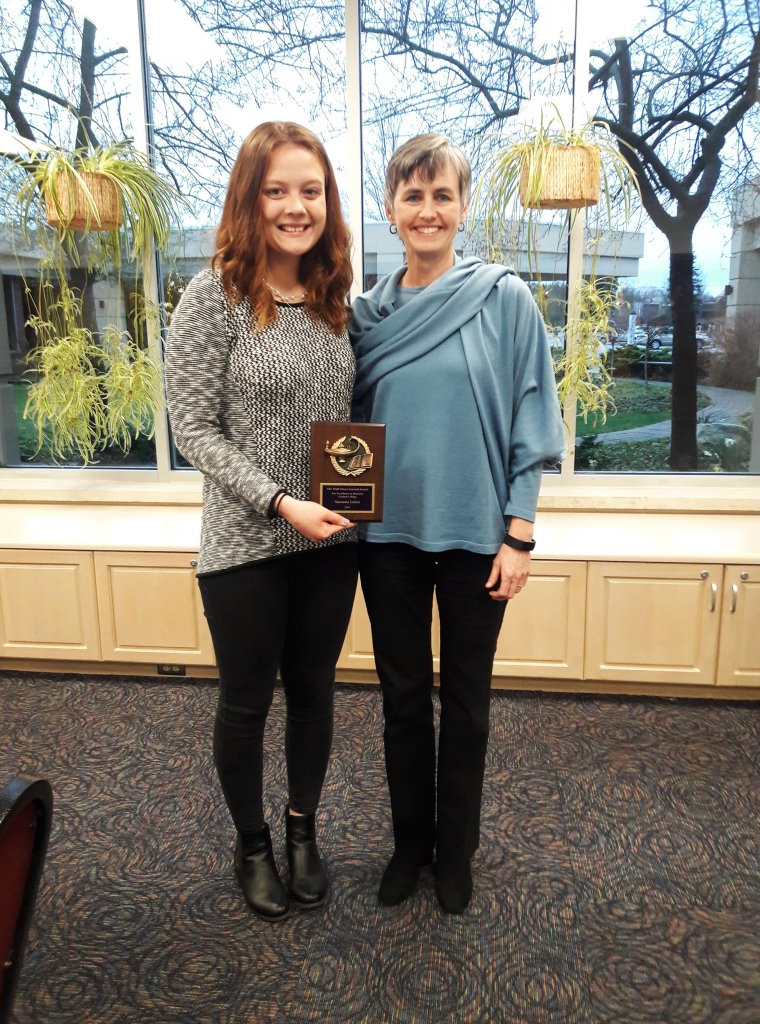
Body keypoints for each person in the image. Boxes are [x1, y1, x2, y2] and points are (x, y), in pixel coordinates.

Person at [350, 134, 564, 914]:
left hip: (479, 539)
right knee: (402, 700)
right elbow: (349, 427)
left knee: (466, 703)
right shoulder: (367, 314)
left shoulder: (504, 298)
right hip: (389, 542)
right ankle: (410, 845)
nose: (428, 209)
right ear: (390, 210)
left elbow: (532, 421)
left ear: (464, 208)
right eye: (413, 196)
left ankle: (456, 851)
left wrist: (522, 533)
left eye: (443, 196)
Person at [165, 122, 358, 921]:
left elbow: (349, 420)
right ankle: (252, 843)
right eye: (276, 189)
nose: (294, 206)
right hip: (247, 544)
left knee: (315, 694)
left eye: (309, 190)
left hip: (332, 542)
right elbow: (192, 428)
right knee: (247, 703)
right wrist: (280, 502)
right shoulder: (214, 296)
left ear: (327, 201)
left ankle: (303, 830)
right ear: (250, 199)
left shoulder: (332, 297)